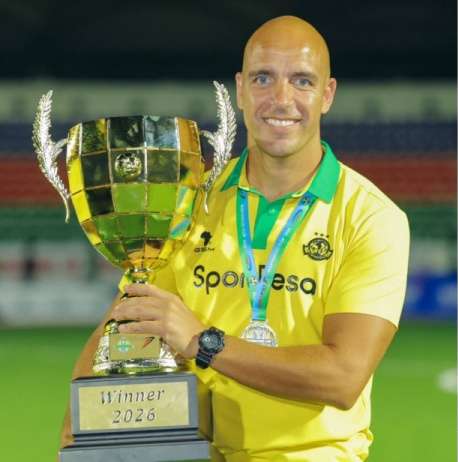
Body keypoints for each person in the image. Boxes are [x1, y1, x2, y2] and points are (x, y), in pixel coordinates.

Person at [60, 15, 410, 462]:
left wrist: (203, 342)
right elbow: (127, 322)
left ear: (327, 95)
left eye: (302, 81)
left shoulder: (370, 217)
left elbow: (342, 377)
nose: (281, 99)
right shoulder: (189, 201)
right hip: (199, 453)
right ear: (241, 90)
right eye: (263, 78)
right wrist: (76, 439)